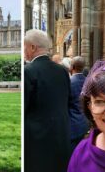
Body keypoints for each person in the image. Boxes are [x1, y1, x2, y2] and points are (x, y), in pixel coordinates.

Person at [24, 29, 71, 172]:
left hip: (37, 140)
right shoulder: (62, 70)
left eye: (24, 46)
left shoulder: (29, 71)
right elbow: (67, 101)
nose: (24, 50)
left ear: (32, 47)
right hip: (61, 134)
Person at [68, 56, 89, 155]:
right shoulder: (88, 82)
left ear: (72, 67)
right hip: (85, 123)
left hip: (72, 124)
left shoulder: (69, 82)